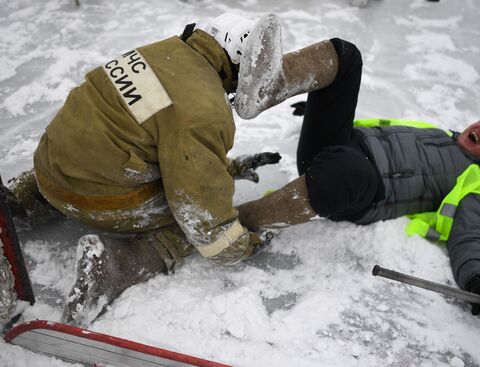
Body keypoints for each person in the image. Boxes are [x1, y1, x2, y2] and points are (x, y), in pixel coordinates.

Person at [3, 13, 282, 327]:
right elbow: (201, 211)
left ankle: (22, 197)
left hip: (49, 165)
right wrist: (239, 246)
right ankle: (116, 265)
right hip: (90, 194)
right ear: (238, 64)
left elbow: (159, 129)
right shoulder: (205, 110)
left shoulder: (165, 51)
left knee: (106, 146)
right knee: (191, 218)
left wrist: (225, 167)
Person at [234, 15, 480, 319]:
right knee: (346, 55)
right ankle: (265, 87)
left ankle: (237, 224)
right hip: (339, 147)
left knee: (349, 171)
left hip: (362, 187)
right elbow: (382, 131)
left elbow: (471, 236)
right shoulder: (440, 135)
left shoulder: (474, 182)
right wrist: (324, 109)